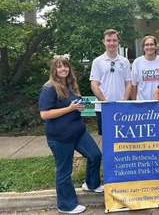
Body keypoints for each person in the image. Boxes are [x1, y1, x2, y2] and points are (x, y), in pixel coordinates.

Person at [39, 57, 102, 214]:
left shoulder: (71, 84)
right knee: (64, 171)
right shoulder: (49, 88)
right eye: (59, 67)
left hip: (78, 132)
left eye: (65, 66)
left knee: (95, 155)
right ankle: (66, 205)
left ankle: (91, 184)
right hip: (60, 138)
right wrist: (69, 108)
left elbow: (74, 105)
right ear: (54, 70)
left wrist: (78, 107)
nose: (63, 69)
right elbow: (45, 114)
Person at [90, 29, 132, 135]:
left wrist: (124, 101)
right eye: (108, 40)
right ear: (103, 41)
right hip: (103, 108)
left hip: (121, 107)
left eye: (114, 40)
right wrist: (105, 103)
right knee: (107, 139)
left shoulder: (125, 62)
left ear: (118, 42)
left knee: (122, 137)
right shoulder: (97, 62)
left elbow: (128, 83)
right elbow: (94, 85)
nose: (112, 43)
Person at [131, 35, 159, 100]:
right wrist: (134, 103)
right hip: (143, 104)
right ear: (143, 47)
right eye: (146, 45)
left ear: (156, 46)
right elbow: (133, 85)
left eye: (152, 44)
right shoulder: (137, 62)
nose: (149, 47)